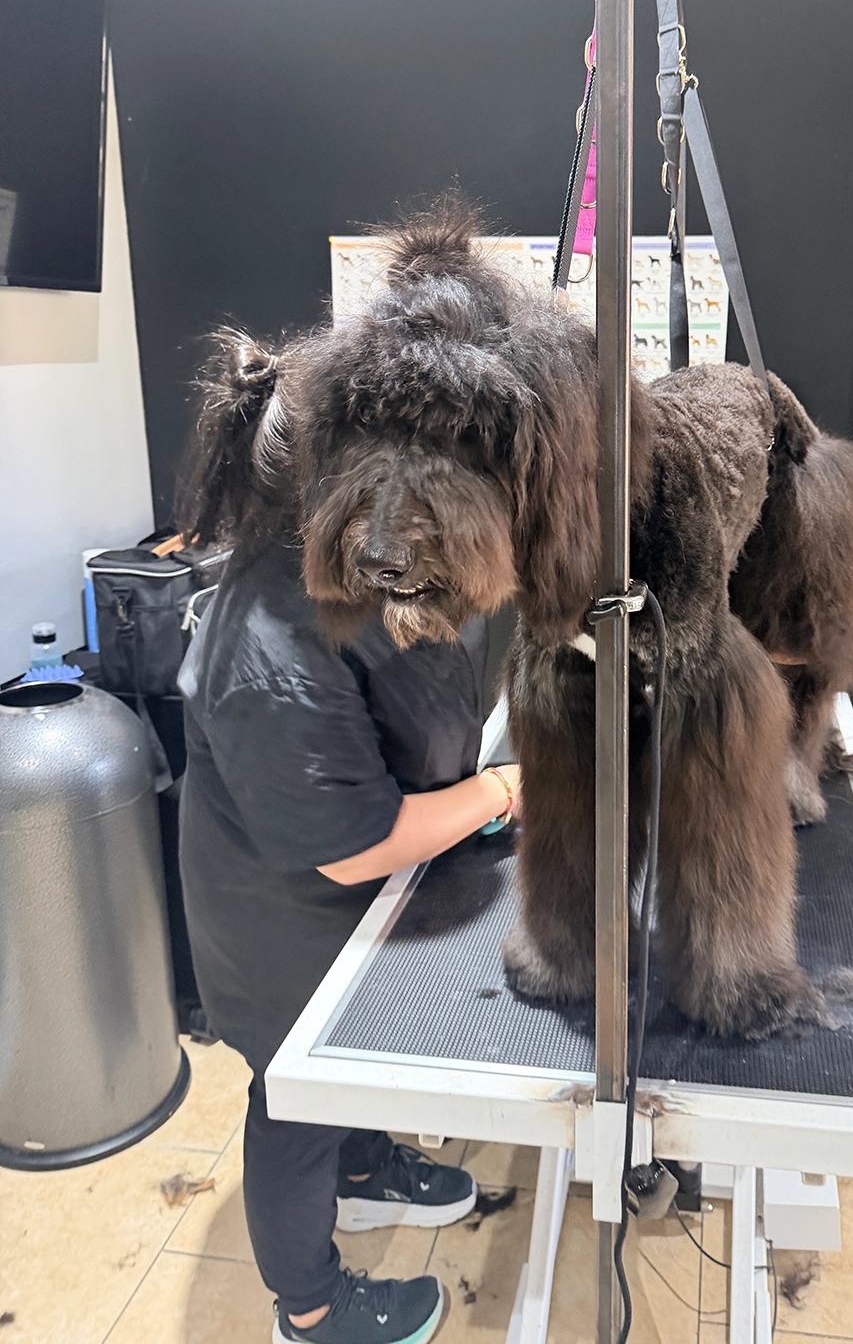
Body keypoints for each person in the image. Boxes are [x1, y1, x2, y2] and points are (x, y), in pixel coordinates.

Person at [175, 334, 520, 1344]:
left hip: (350, 908)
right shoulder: (270, 641)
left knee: (348, 1088)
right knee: (295, 1101)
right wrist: (502, 791)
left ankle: (365, 1170)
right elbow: (353, 843)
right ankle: (314, 1308)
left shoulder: (360, 567)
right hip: (286, 925)